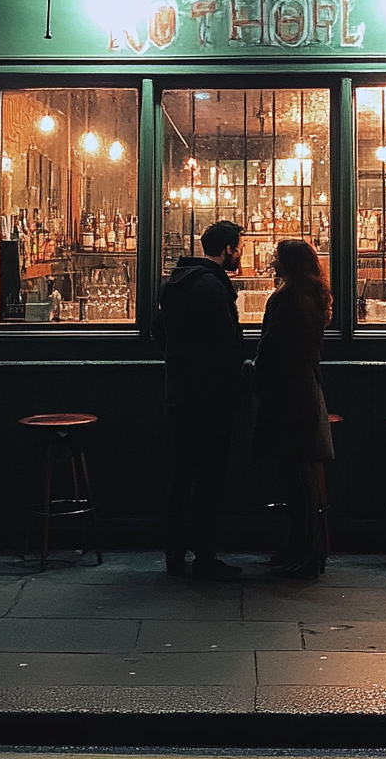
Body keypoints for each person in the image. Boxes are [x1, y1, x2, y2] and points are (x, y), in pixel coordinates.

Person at [152, 220, 246, 581]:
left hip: (179, 392)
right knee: (208, 477)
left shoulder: (175, 282)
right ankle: (204, 556)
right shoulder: (211, 286)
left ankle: (174, 552)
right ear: (227, 250)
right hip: (209, 397)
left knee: (180, 471)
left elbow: (157, 332)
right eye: (238, 248)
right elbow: (225, 345)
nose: (239, 254)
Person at [253, 238, 334, 580]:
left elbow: (270, 348)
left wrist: (250, 369)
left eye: (277, 258)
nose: (273, 262)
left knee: (296, 477)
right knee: (302, 478)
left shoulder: (285, 299)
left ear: (288, 263)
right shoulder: (315, 298)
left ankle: (307, 553)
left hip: (287, 393)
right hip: (306, 388)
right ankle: (301, 548)